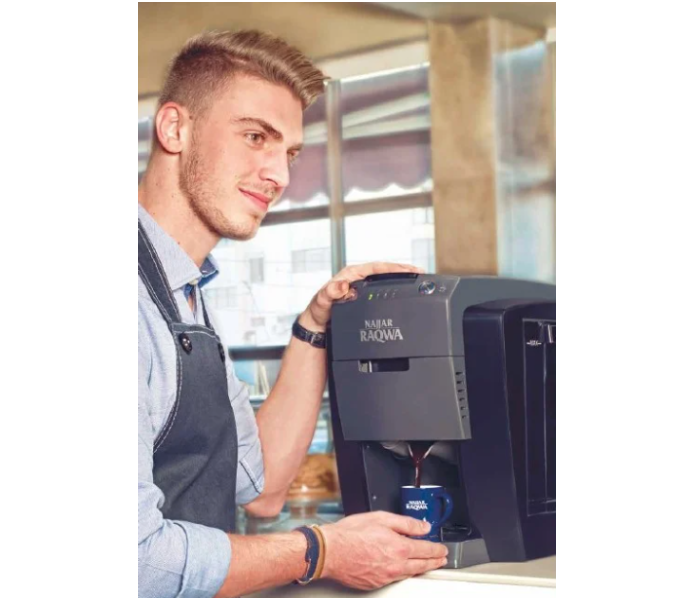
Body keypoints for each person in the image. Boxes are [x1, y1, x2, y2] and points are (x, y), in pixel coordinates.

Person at [138, 29, 449, 598]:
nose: (280, 175)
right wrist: (322, 551)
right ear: (174, 128)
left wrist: (314, 325)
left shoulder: (185, 293)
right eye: (256, 136)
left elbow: (261, 489)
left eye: (289, 152)